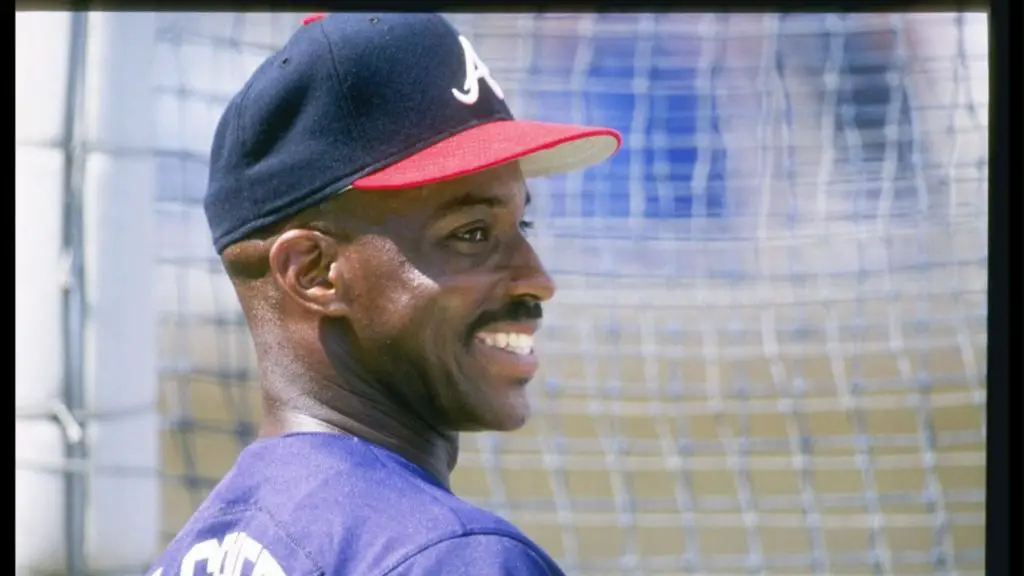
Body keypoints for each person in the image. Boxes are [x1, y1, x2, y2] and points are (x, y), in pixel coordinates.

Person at [148, 12, 620, 576]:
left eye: (524, 227)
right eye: (472, 234)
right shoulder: (449, 555)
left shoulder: (190, 554)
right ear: (314, 272)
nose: (536, 278)